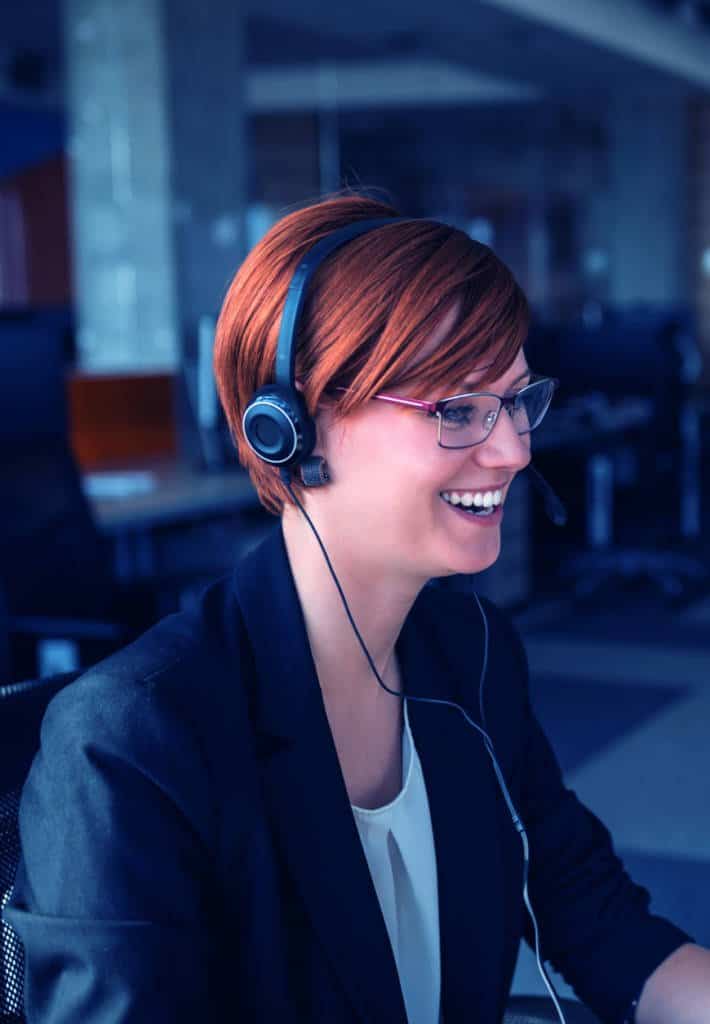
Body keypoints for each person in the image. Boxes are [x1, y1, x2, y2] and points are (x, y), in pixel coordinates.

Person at [5, 195, 709, 1024]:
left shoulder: (471, 651)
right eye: (457, 409)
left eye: (517, 400)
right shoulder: (135, 741)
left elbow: (599, 921)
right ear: (296, 425)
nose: (515, 448)